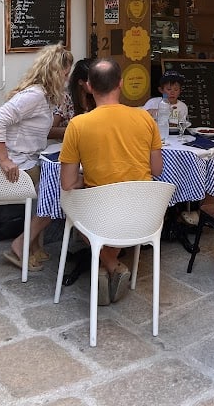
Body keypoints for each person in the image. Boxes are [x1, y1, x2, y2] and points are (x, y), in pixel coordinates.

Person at [60, 58, 163, 306]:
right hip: (143, 216)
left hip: (101, 216)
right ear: (121, 83)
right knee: (105, 206)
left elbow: (67, 183)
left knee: (72, 205)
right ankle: (109, 266)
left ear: (89, 87)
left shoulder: (78, 125)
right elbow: (156, 169)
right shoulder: (146, 119)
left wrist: (92, 176)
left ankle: (109, 265)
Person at [0, 43, 74, 272]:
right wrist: (4, 160)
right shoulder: (35, 96)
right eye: (66, 73)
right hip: (11, 166)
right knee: (61, 190)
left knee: (55, 180)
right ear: (56, 72)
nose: (67, 79)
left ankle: (33, 245)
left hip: (24, 160)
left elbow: (34, 131)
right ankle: (21, 243)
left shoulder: (43, 96)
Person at [48, 57, 95, 140]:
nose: (98, 85)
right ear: (80, 82)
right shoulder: (65, 98)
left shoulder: (96, 96)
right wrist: (76, 130)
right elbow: (50, 131)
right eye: (93, 81)